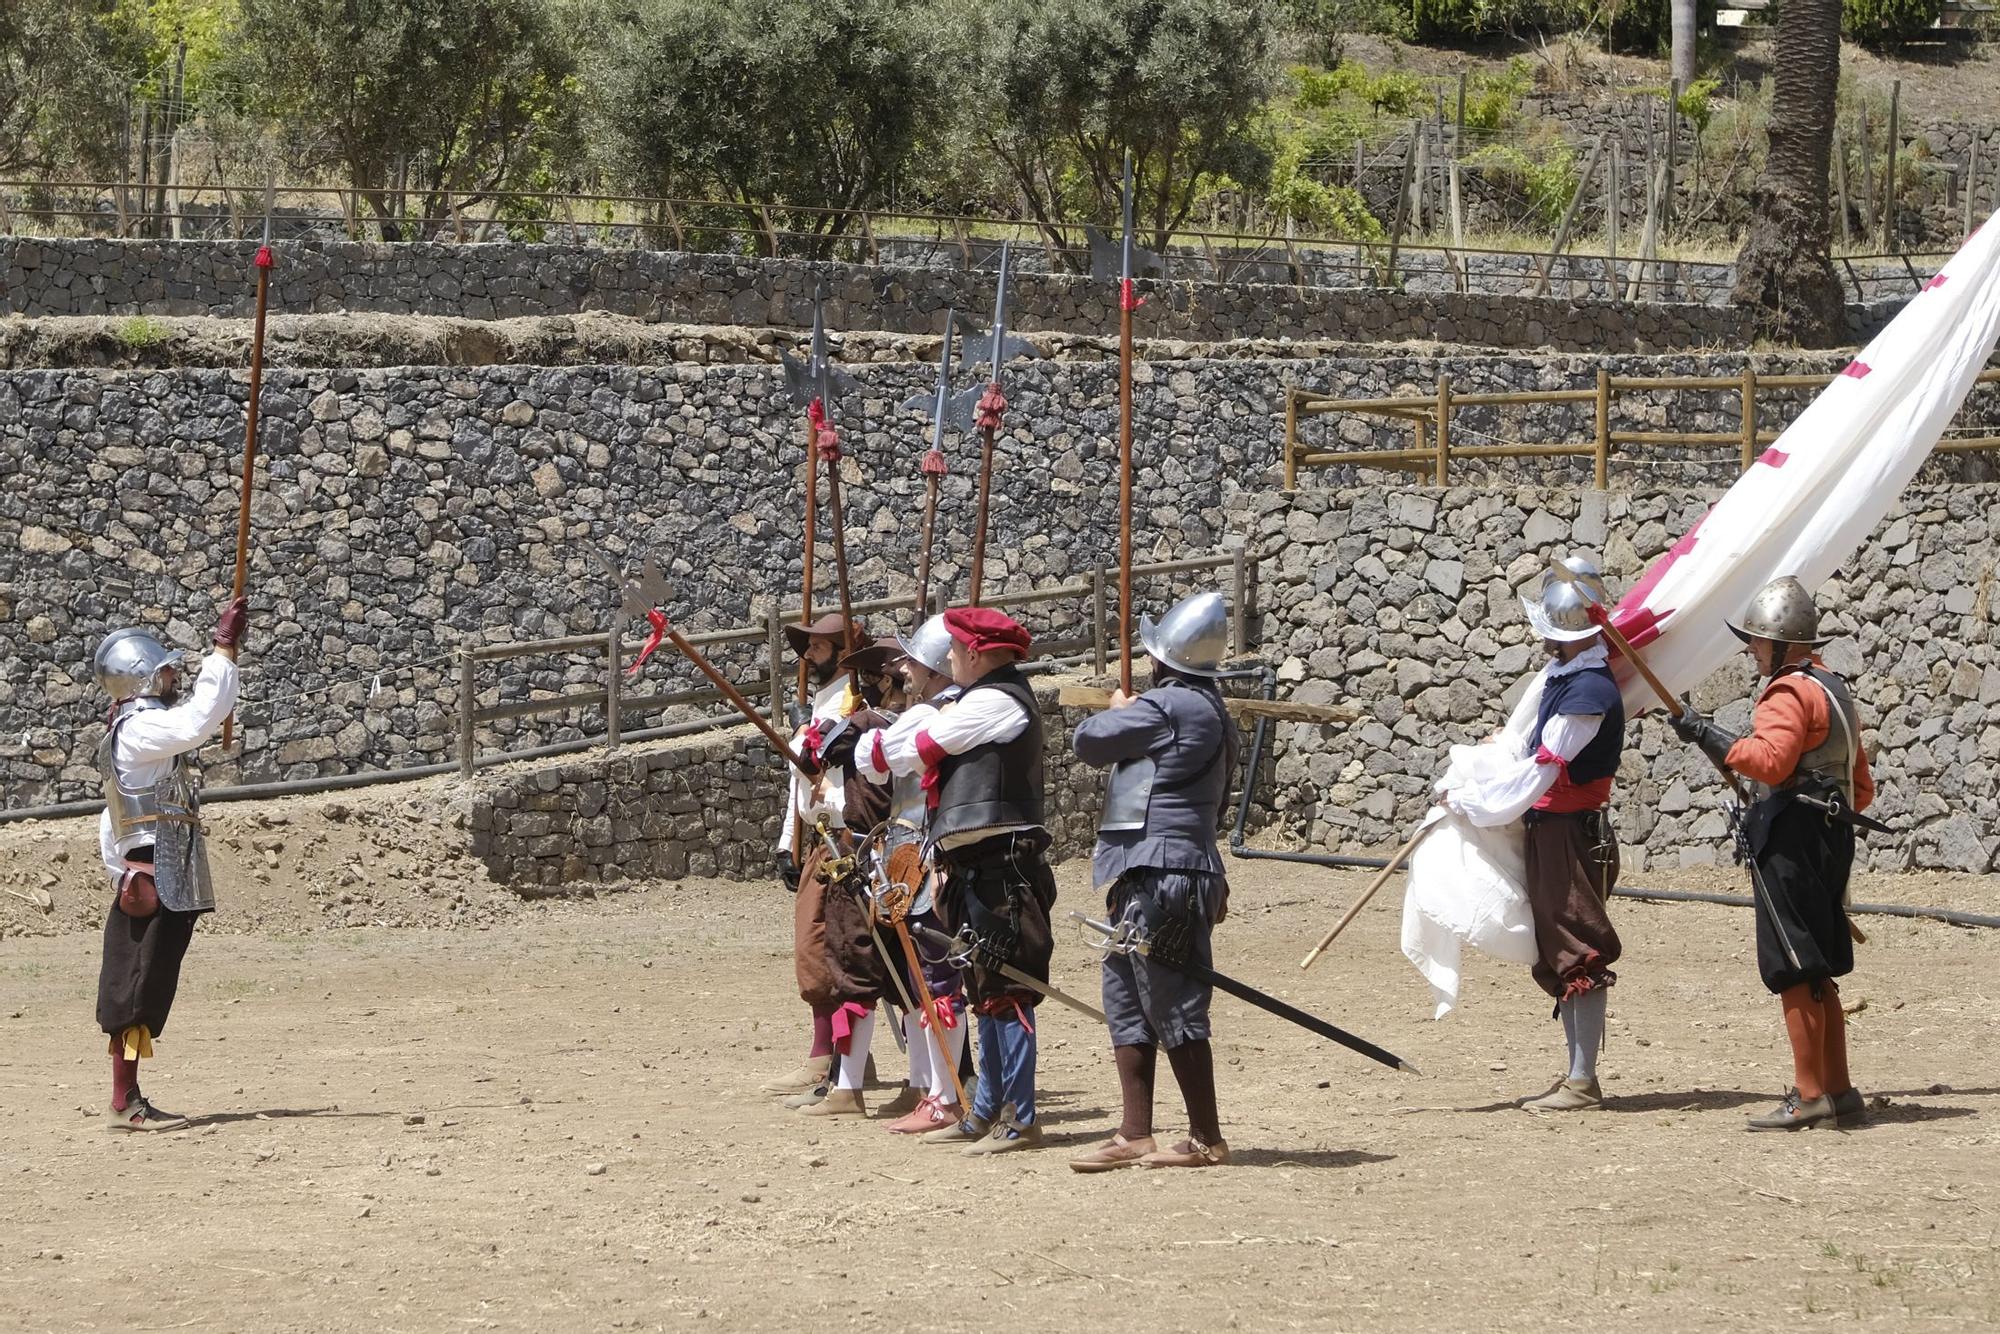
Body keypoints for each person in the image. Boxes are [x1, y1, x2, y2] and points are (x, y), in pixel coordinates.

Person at [1670, 575, 1876, 1132]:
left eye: (1759, 641)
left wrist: (1707, 735)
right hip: (1830, 835)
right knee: (1818, 967)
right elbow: (1862, 786)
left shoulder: (1788, 691)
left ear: (1785, 645)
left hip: (1793, 839)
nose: (1752, 650)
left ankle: (1810, 1095)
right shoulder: (1835, 688)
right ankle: (1838, 1092)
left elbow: (1770, 762)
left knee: (1792, 966)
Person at [860, 606, 1056, 1156]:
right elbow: (897, 752)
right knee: (983, 990)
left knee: (1008, 990)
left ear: (974, 653)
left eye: (952, 652)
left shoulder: (999, 700)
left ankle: (1019, 1116)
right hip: (973, 868)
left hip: (1006, 868)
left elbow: (918, 749)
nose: (945, 661)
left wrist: (885, 744)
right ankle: (986, 1109)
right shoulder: (973, 699)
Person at [1436, 559, 1625, 1113]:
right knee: (1558, 943)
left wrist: (1475, 802)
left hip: (1570, 832)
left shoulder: (1588, 689)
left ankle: (1583, 1080)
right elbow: (1527, 751)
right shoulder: (1568, 677)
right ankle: (1575, 1075)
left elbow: (1543, 769)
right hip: (1554, 830)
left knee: (1576, 946)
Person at [1068, 591, 1240, 1171]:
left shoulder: (1173, 706)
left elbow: (1088, 741)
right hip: (1147, 866)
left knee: (1174, 1002)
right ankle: (1135, 1131)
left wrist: (1121, 708)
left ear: (1164, 659)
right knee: (1128, 999)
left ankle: (1206, 1136)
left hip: (1166, 872)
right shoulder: (1200, 705)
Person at [93, 596, 247, 1131]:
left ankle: (127, 1097)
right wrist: (222, 651)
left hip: (157, 871)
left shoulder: (137, 728)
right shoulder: (139, 730)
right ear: (139, 681)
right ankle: (124, 1102)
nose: (171, 676)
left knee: (147, 985)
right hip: (151, 876)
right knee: (133, 989)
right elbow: (198, 721)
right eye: (163, 672)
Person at [848, 617, 972, 1135]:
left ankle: (947, 1096)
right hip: (909, 849)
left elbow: (871, 758)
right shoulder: (939, 709)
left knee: (940, 979)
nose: (902, 667)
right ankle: (936, 1091)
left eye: (913, 659)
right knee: (925, 980)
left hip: (929, 852)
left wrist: (883, 738)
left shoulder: (936, 712)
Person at [760, 613, 866, 1102]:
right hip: (819, 838)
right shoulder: (820, 701)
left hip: (848, 836)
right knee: (815, 952)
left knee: (838, 953)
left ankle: (839, 1063)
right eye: (808, 647)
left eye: (820, 647)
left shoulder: (857, 701)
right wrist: (788, 840)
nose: (808, 655)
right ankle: (831, 1057)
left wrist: (810, 738)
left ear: (844, 648)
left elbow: (828, 770)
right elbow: (798, 783)